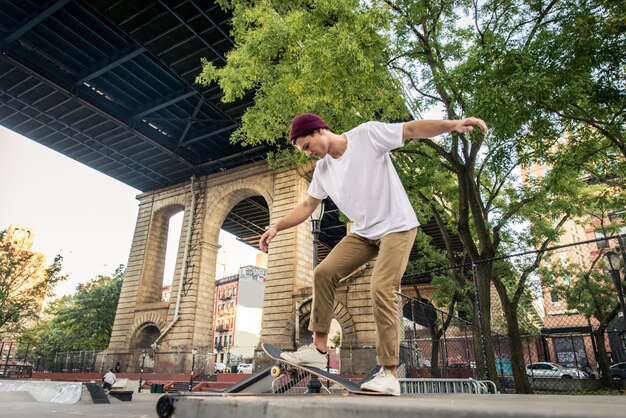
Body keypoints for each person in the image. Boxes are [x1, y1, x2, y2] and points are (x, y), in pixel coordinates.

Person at [259, 113, 487, 396]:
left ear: (319, 131)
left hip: (397, 227)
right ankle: (319, 349)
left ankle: (389, 373)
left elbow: (412, 128)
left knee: (381, 286)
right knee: (324, 272)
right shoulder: (322, 171)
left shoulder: (366, 136)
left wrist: (451, 126)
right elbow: (307, 205)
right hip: (364, 233)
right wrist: (277, 226)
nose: (308, 154)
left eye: (307, 146)